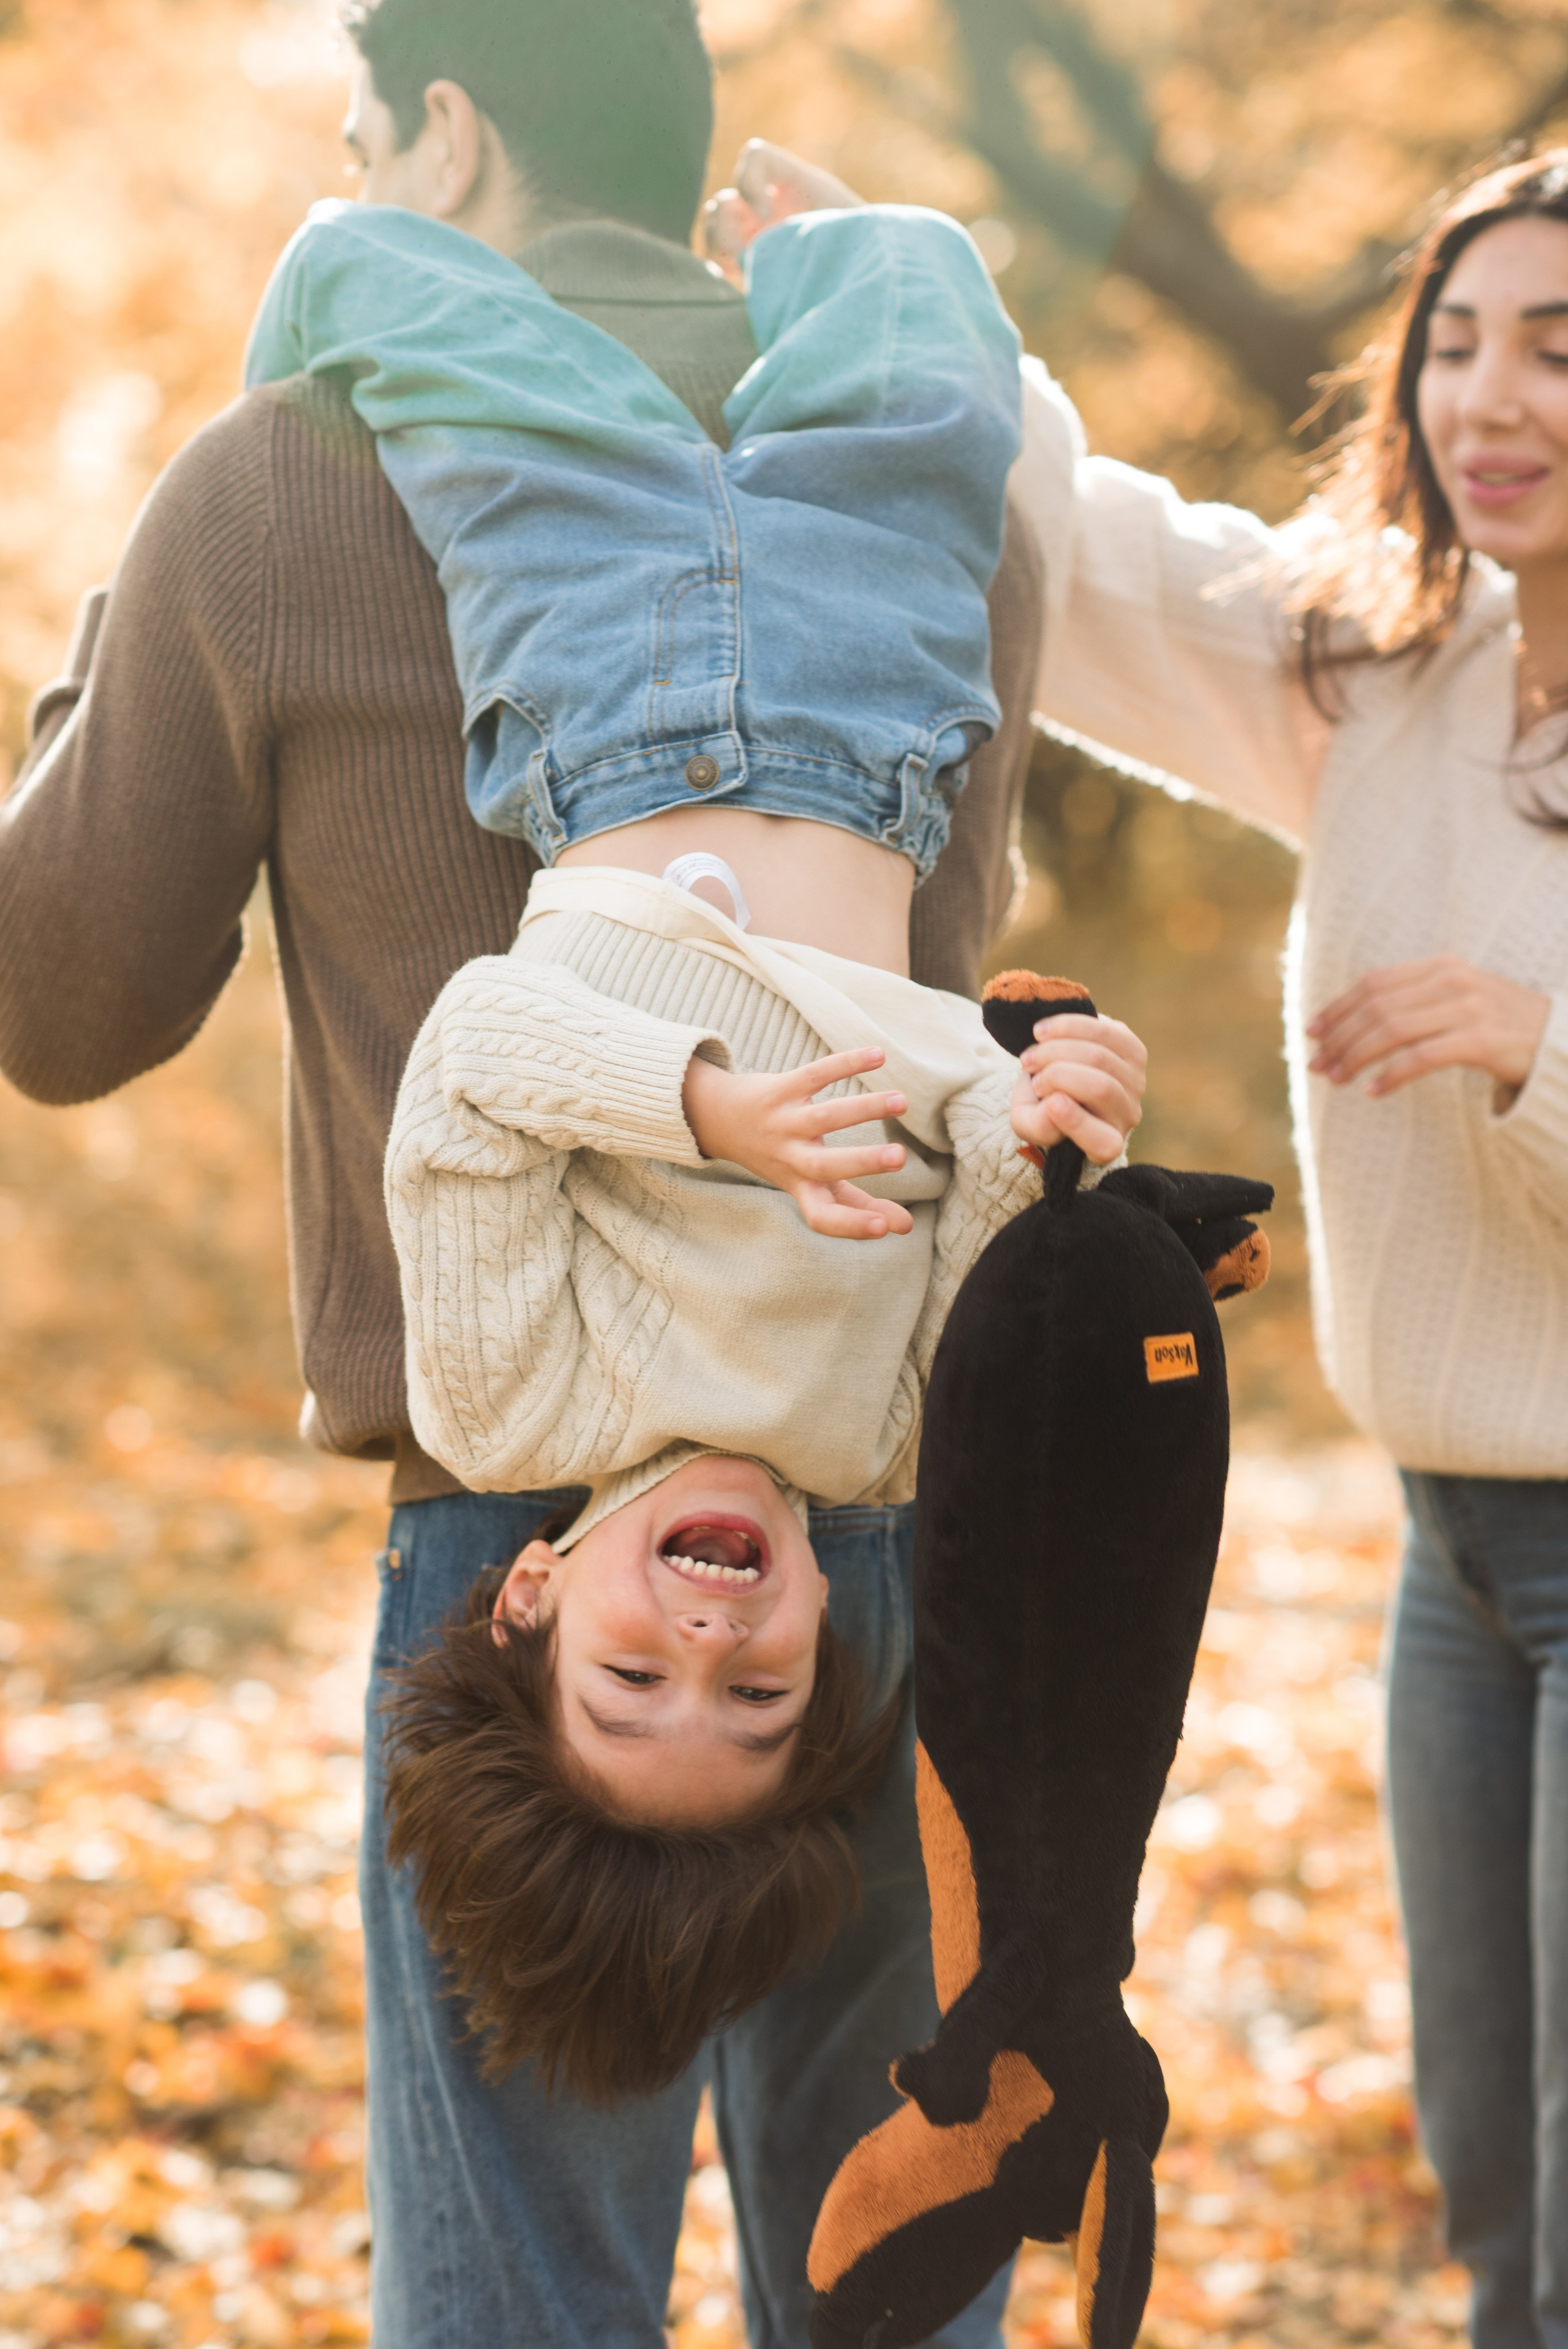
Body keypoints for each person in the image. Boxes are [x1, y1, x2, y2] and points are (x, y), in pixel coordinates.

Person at [0, 4, 1143, 2343]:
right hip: (875, 1528)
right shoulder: (932, 476)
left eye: (354, 132)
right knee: (898, 2273)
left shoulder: (288, 472)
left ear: (439, 130)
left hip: (517, 1554)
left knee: (522, 2292)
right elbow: (941, 949)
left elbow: (63, 1003)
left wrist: (115, 640)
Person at [826, 144, 1563, 2349]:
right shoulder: (1406, 667)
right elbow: (1121, 565)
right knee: (1497, 2172)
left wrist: (1544, 1048)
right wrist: (906, 290)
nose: (1488, 395)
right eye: (1453, 343)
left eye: (1556, 347)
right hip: (1458, 1556)